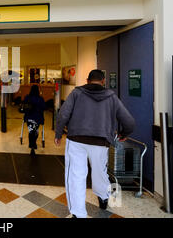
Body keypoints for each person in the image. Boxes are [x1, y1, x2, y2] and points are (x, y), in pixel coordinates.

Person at [54, 69, 135, 218]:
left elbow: (63, 114)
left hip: (76, 140)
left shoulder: (76, 93)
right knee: (99, 172)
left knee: (76, 176)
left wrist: (58, 133)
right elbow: (129, 121)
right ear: (103, 81)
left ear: (87, 80)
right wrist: (124, 134)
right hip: (100, 142)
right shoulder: (112, 97)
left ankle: (78, 214)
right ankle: (103, 198)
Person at [22, 84, 45, 155]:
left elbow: (23, 106)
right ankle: (33, 144)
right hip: (37, 118)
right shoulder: (40, 99)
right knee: (35, 131)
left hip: (29, 118)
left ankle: (32, 145)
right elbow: (44, 107)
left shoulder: (27, 97)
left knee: (31, 130)